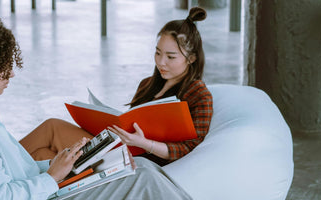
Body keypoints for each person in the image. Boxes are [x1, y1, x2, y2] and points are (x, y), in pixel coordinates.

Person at [0, 10, 191, 200]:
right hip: (48, 194)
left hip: (47, 187)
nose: (11, 75)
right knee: (142, 178)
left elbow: (22, 170)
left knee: (139, 166)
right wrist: (52, 177)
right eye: (2, 70)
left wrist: (67, 163)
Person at [20, 7, 213, 167]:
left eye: (171, 57)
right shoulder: (148, 84)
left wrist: (145, 143)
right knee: (41, 154)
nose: (161, 62)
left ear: (192, 58)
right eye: (157, 53)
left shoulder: (199, 95)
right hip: (116, 148)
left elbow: (190, 148)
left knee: (52, 127)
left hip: (136, 162)